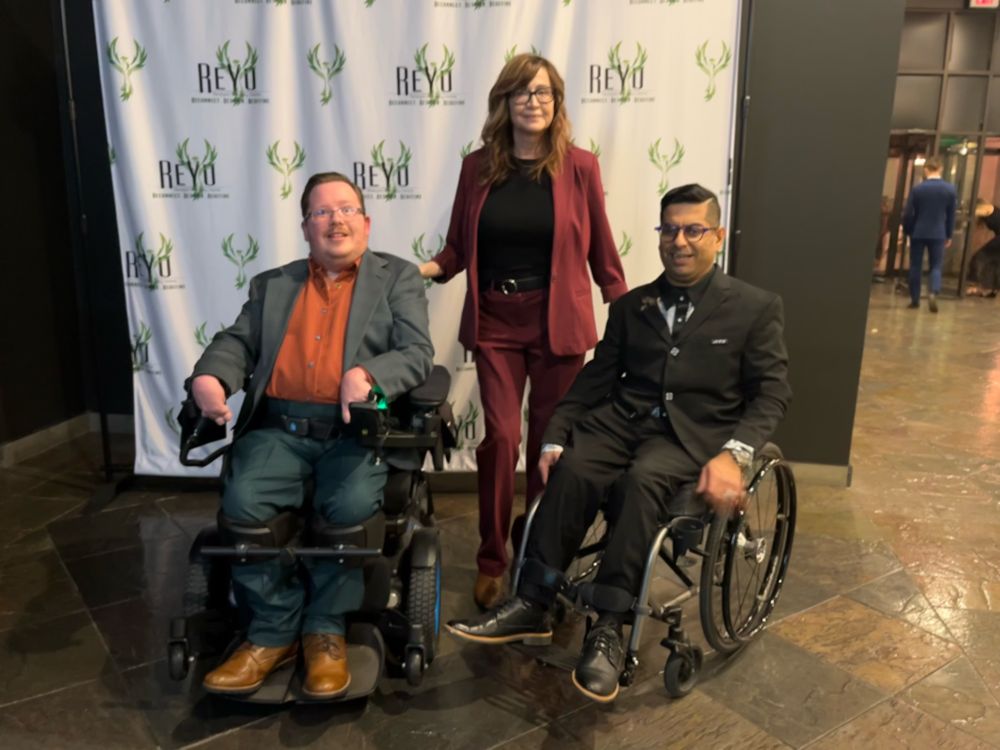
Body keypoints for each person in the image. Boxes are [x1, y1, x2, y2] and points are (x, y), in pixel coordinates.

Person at [445, 184, 791, 703]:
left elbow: (772, 393)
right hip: (621, 420)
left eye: (693, 230)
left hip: (692, 435)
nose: (679, 241)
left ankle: (608, 627)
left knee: (642, 481)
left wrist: (734, 455)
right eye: (670, 229)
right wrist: (555, 435)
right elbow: (594, 378)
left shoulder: (755, 308)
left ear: (717, 236)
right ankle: (534, 601)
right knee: (576, 467)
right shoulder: (633, 306)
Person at [187, 172, 433, 698]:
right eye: (322, 212)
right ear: (305, 227)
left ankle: (325, 631)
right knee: (244, 505)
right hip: (280, 427)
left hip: (354, 430)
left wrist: (368, 375)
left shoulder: (398, 278)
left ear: (365, 222)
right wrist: (211, 378)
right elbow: (236, 342)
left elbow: (417, 353)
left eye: (346, 209)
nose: (336, 220)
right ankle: (273, 632)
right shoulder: (273, 284)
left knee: (347, 513)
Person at [418, 54, 627, 610]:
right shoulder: (477, 167)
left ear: (557, 104)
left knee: (548, 446)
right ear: (504, 103)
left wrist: (624, 309)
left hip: (559, 320)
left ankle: (536, 553)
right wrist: (423, 270)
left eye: (544, 93)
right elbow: (459, 248)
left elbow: (602, 247)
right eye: (522, 92)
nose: (533, 101)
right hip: (496, 322)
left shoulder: (580, 167)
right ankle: (492, 557)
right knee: (502, 438)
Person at [902, 157, 957, 313]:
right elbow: (951, 215)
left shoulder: (918, 189)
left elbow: (909, 214)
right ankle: (933, 291)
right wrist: (949, 234)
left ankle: (915, 300)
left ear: (926, 170)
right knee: (936, 266)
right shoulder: (950, 189)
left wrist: (908, 230)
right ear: (940, 169)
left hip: (918, 232)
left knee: (915, 266)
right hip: (938, 233)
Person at [968, 200, 1000, 298]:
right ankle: (992, 289)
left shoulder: (987, 207)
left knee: (979, 258)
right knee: (995, 264)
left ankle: (977, 285)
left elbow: (975, 212)